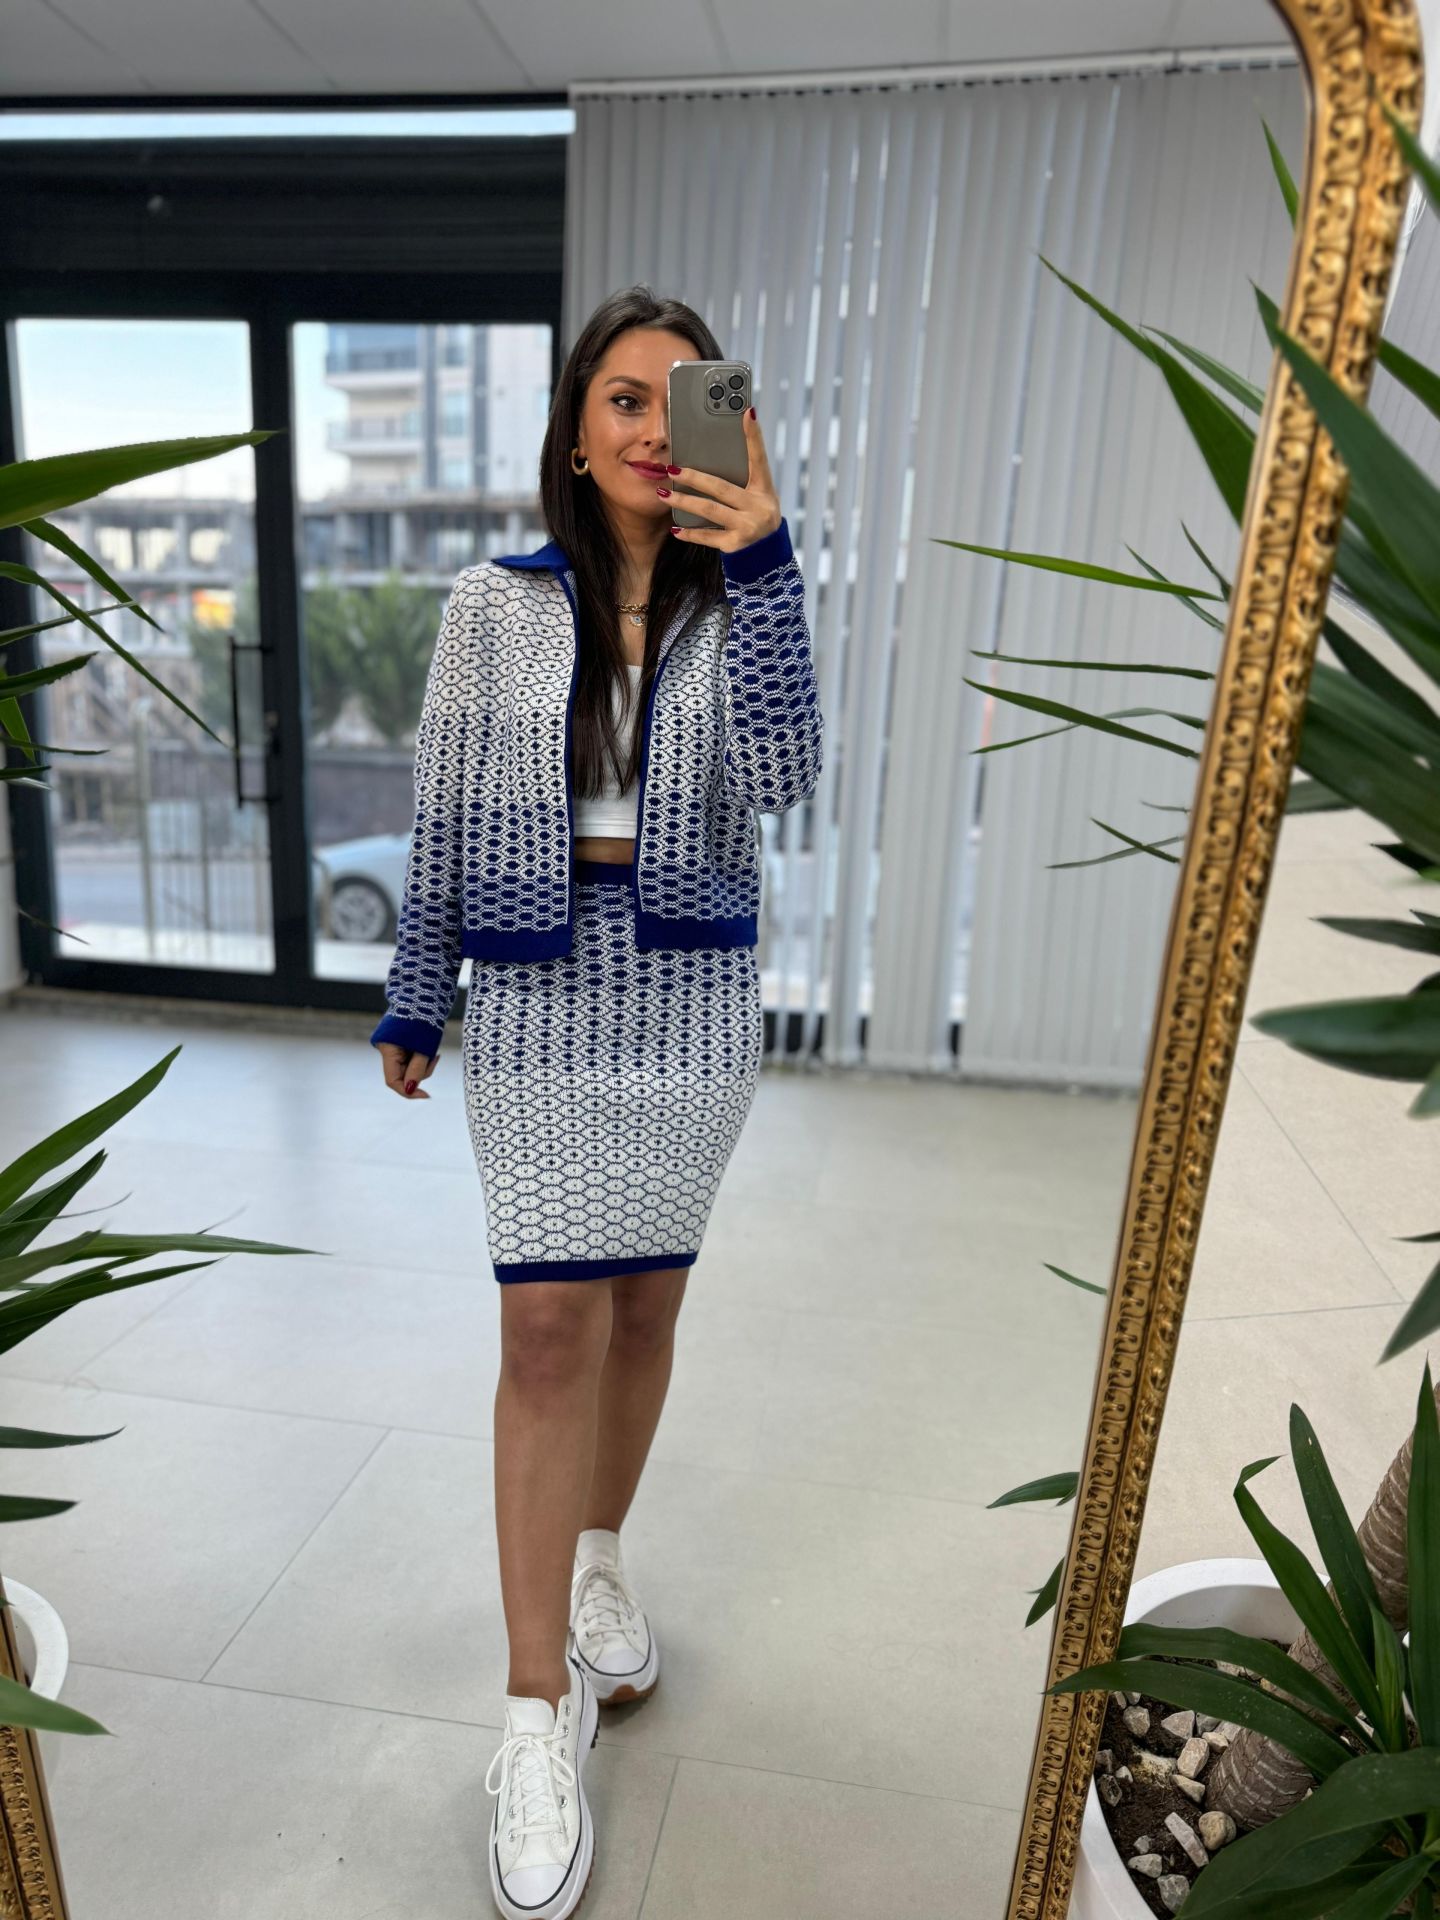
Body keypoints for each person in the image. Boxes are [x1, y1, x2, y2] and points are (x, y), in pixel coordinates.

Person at [371, 285, 823, 1920]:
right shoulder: (489, 608)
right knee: (548, 1328)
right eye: (623, 398)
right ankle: (530, 1716)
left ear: (725, 426)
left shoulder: (743, 593)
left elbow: (787, 781)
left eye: (683, 399)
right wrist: (418, 985)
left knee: (643, 1311)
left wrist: (766, 559)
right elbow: (441, 810)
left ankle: (600, 1564)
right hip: (538, 994)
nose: (650, 425)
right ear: (576, 432)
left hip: (691, 998)